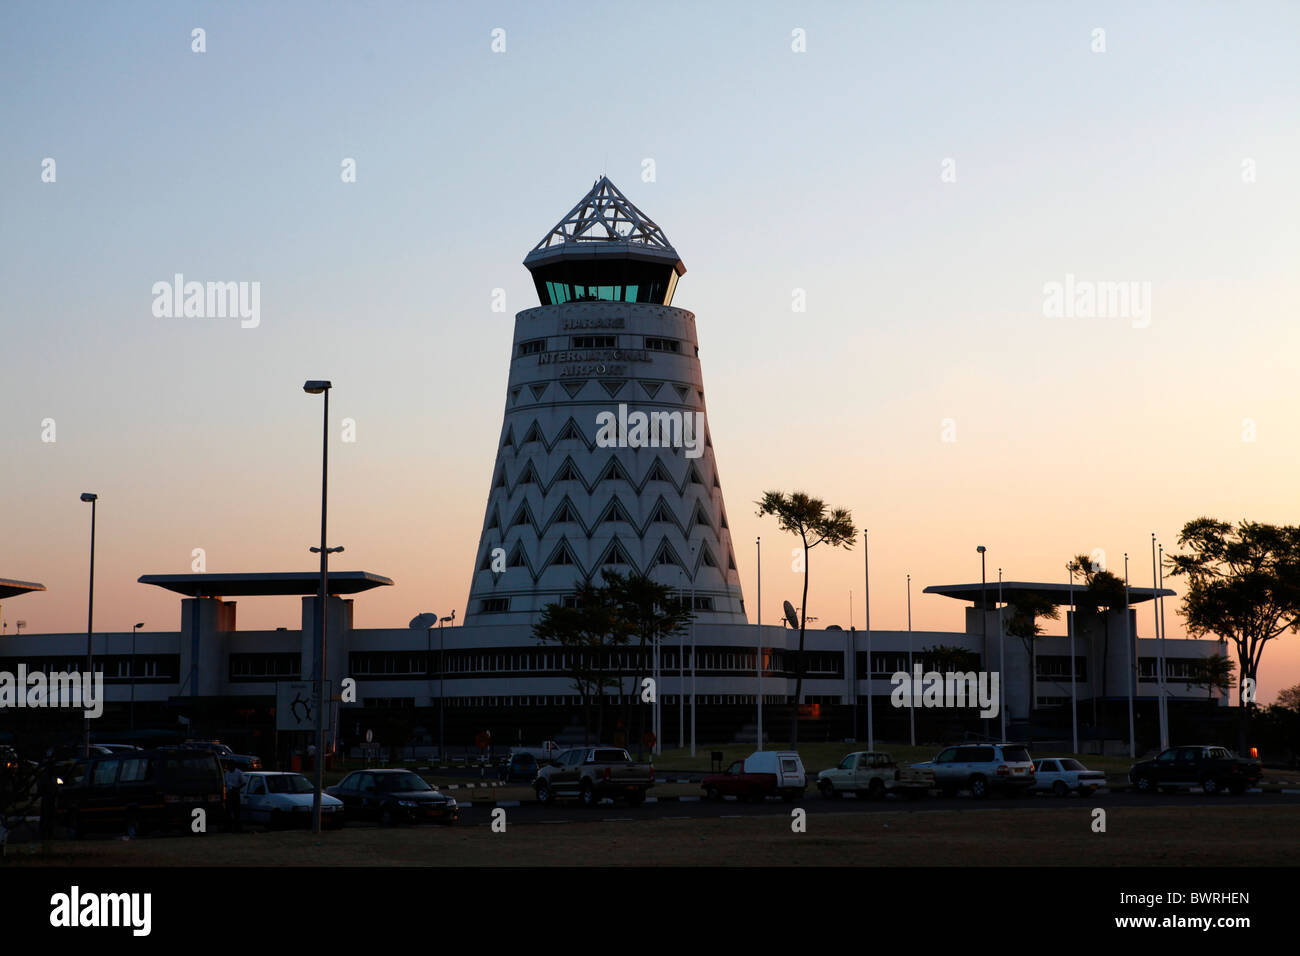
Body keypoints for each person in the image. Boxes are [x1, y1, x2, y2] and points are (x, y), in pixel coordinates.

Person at [223, 760, 244, 833]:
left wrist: (237, 788)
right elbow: (225, 783)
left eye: (230, 765)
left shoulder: (239, 773)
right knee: (228, 811)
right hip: (229, 793)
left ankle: (237, 828)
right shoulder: (227, 773)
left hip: (235, 793)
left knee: (236, 812)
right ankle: (229, 828)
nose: (229, 767)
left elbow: (244, 782)